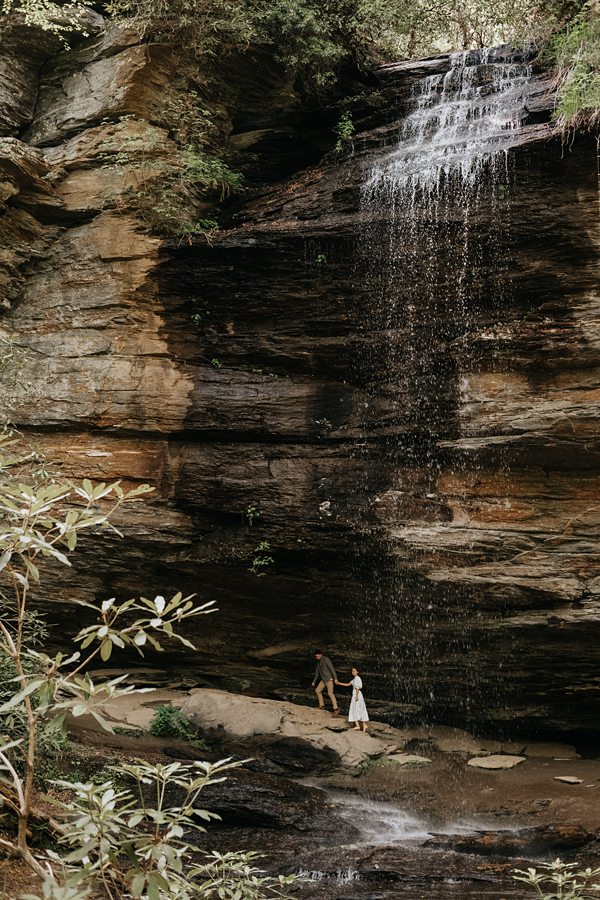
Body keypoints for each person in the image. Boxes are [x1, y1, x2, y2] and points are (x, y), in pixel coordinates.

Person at [336, 667, 369, 732]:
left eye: (354, 671)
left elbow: (357, 688)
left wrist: (356, 696)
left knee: (356, 708)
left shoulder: (357, 678)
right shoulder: (354, 679)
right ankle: (362, 725)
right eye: (352, 671)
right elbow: (347, 684)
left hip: (357, 695)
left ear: (357, 672)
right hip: (355, 695)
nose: (353, 672)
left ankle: (360, 725)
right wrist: (339, 683)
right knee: (357, 708)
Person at [311, 650, 339, 717]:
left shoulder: (326, 660)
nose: (317, 657)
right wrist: (314, 681)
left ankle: (336, 709)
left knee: (330, 693)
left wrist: (335, 678)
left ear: (321, 655)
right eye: (316, 656)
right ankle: (322, 706)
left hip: (329, 679)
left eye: (318, 656)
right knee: (317, 691)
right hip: (323, 680)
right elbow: (317, 673)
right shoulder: (318, 663)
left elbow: (332, 669)